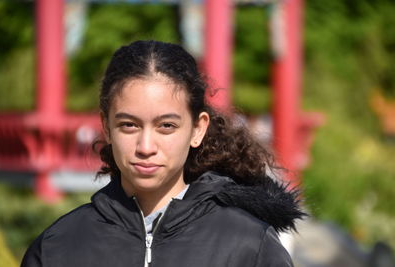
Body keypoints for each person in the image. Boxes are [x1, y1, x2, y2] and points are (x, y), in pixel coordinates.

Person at [21, 40, 305, 267]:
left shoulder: (250, 246)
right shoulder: (57, 247)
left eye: (166, 126)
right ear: (106, 127)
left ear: (197, 129)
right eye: (129, 125)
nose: (146, 147)